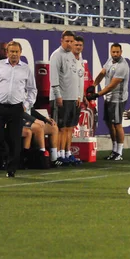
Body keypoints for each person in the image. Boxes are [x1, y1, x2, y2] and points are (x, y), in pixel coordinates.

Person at [0, 41, 37, 178]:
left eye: (16, 52)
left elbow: (32, 90)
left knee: (15, 139)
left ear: (20, 53)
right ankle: (5, 157)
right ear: (7, 52)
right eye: (11, 51)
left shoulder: (26, 69)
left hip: (16, 107)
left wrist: (26, 105)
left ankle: (11, 169)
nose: (14, 54)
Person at [88, 43, 130, 161]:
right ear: (111, 52)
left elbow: (112, 85)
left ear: (121, 52)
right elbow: (102, 73)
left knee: (117, 124)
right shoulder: (110, 61)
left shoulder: (123, 66)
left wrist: (97, 94)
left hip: (118, 98)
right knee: (109, 123)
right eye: (113, 52)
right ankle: (114, 150)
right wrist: (94, 84)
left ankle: (119, 152)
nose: (115, 54)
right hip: (109, 97)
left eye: (117, 52)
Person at [49, 31, 84, 166]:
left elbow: (76, 78)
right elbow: (54, 78)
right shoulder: (56, 56)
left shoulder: (73, 56)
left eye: (71, 41)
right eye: (67, 41)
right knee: (60, 128)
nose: (70, 44)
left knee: (69, 127)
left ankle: (67, 153)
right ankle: (58, 155)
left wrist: (78, 96)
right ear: (61, 41)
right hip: (62, 98)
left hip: (72, 97)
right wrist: (58, 96)